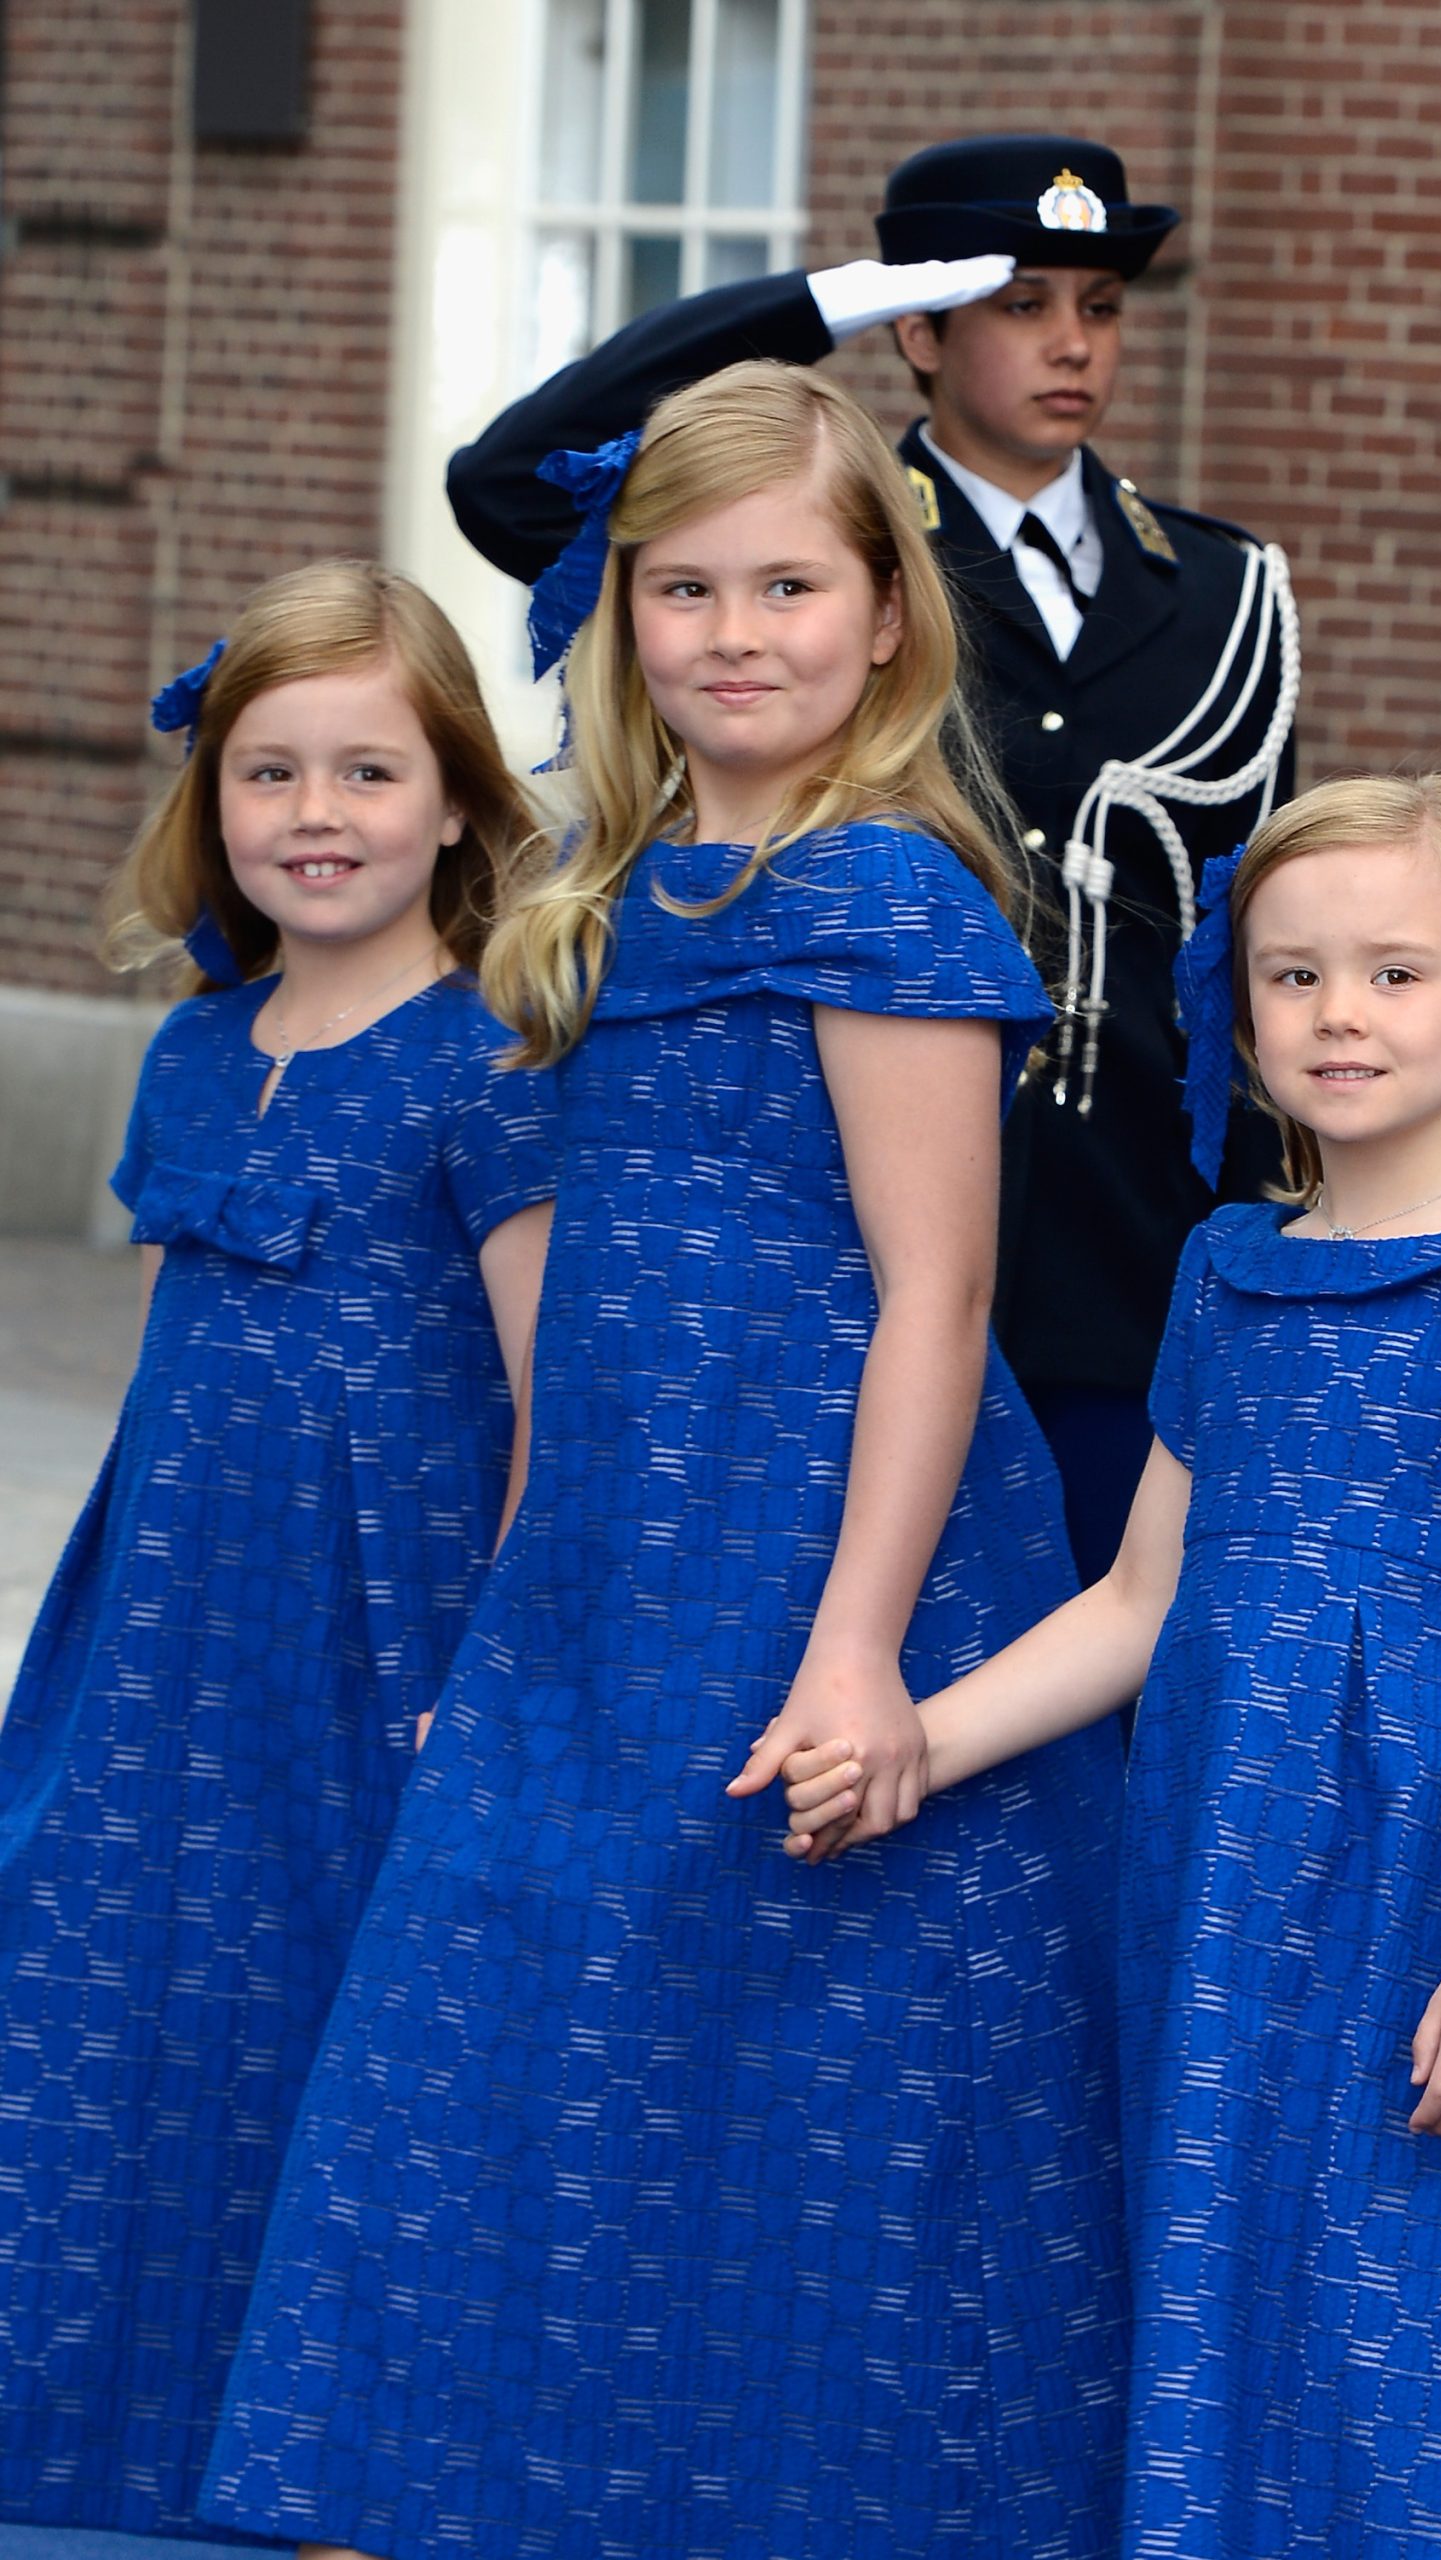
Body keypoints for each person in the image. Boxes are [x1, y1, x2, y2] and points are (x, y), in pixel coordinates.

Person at [199, 364, 1129, 2560]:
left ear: (890, 614)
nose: (734, 631)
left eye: (791, 583)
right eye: (680, 586)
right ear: (620, 618)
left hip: (827, 1551)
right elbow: (574, 1323)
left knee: (799, 2075)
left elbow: (938, 1294)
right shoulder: (622, 882)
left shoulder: (886, 897)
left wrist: (862, 1648)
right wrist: (511, 1598)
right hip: (605, 1559)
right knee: (480, 2037)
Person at [774, 774, 1441, 2555]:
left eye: (1396, 975)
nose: (1338, 1015)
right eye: (1293, 978)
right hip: (1230, 1898)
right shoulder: (1226, 1271)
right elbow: (1137, 1606)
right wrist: (911, 1740)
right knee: (1253, 2288)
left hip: (1439, 1892)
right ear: (1239, 1011)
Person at [445, 129, 1300, 1584]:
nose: (1071, 342)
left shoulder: (1225, 589)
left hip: (1122, 1249)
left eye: (1098, 305)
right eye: (1021, 302)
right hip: (835, 1266)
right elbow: (511, 479)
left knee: (1096, 1716)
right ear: (921, 326)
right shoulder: (817, 558)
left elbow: (1250, 946)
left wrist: (1280, 1230)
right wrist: (823, 299)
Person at [0, 560, 562, 2543]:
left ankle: (321, 2455)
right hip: (169, 1613)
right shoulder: (190, 1047)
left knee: (330, 2001)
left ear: (458, 801)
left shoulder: (494, 1059)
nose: (316, 814)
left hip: (379, 1614)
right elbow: (187, 1368)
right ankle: (96, 2430)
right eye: (271, 772)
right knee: (105, 1969)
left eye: (368, 770)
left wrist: (488, 1673)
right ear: (215, 803)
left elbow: (537, 1400)